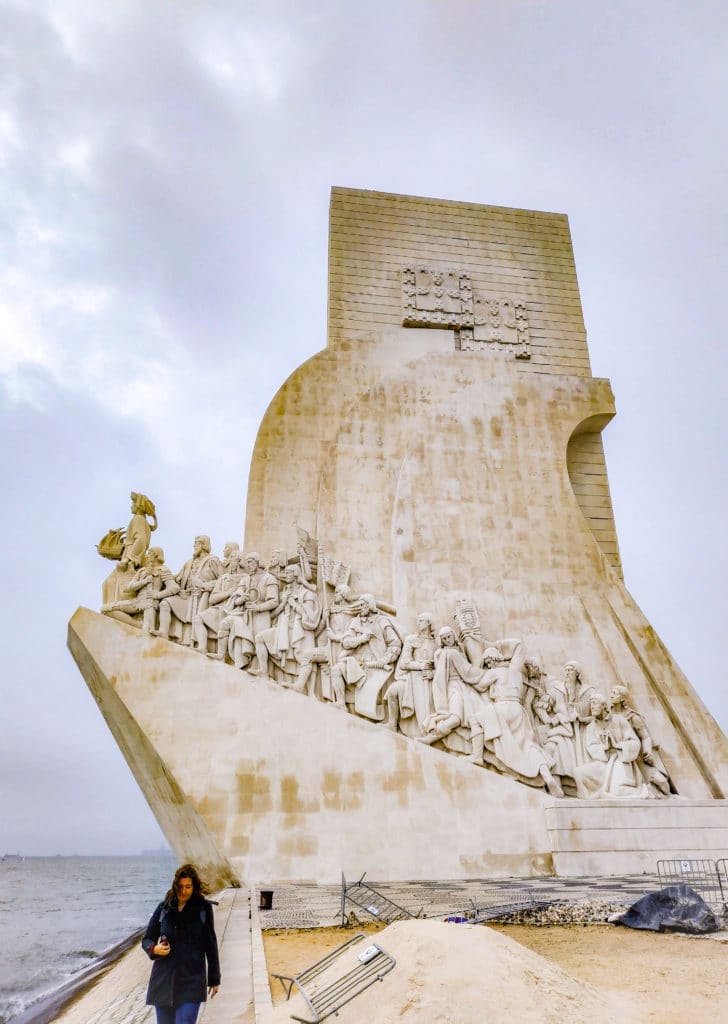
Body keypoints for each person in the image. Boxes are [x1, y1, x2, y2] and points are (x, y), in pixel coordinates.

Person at [142, 863, 220, 1024]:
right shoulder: (164, 908)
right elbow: (147, 939)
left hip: (191, 982)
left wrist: (214, 978)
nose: (184, 891)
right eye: (180, 886)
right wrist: (154, 948)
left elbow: (210, 944)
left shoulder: (203, 909)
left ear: (194, 887)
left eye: (188, 887)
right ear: (175, 885)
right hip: (163, 983)